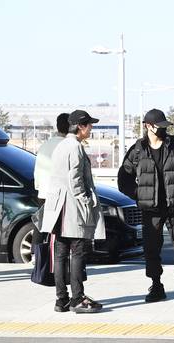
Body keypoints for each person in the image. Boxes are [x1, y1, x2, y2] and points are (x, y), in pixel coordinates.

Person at [118, 109, 174, 303]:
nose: (163, 130)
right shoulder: (137, 150)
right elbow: (123, 178)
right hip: (151, 210)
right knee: (151, 249)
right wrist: (139, 194)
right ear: (148, 126)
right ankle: (156, 285)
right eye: (159, 126)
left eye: (165, 126)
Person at [40, 110, 105, 313]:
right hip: (72, 209)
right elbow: (75, 179)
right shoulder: (75, 147)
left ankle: (62, 300)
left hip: (58, 207)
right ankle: (77, 298)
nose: (91, 128)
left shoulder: (61, 145)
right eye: (89, 125)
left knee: (60, 254)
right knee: (77, 253)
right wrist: (84, 200)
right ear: (80, 127)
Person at [32, 113, 70, 263]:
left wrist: (39, 187)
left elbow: (37, 168)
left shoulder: (45, 145)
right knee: (61, 226)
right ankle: (60, 257)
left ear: (57, 127)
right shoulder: (68, 145)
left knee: (41, 223)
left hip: (43, 189)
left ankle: (35, 255)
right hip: (60, 191)